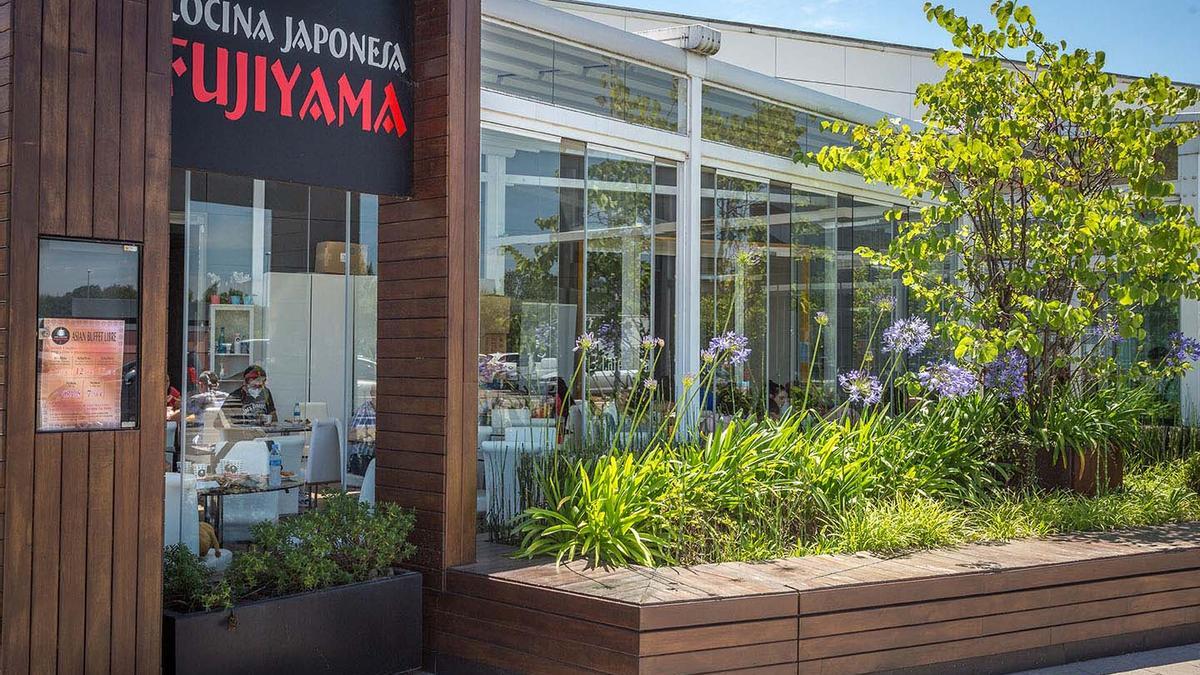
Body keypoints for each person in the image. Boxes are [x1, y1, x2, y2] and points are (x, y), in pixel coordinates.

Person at [348, 385, 377, 476]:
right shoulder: (364, 410)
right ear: (372, 394)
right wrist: (373, 434)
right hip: (362, 458)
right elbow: (351, 435)